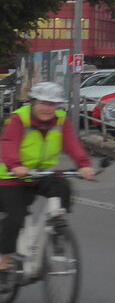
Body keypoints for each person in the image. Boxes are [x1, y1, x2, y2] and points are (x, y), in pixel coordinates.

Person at [0, 81, 95, 275]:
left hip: (41, 174)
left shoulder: (61, 120)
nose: (47, 108)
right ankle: (3, 263)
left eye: (52, 104)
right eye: (43, 103)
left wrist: (83, 164)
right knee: (15, 218)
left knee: (62, 185)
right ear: (33, 102)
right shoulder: (19, 119)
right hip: (11, 177)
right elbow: (8, 143)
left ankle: (58, 228)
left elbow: (71, 144)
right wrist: (15, 166)